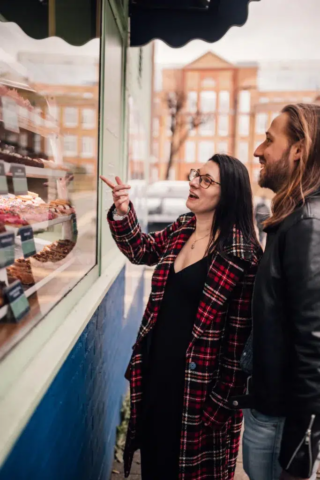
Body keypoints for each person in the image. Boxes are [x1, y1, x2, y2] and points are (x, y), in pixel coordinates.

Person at [101, 154, 261, 480]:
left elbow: (239, 343)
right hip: (158, 370)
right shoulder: (183, 227)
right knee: (156, 460)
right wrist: (122, 212)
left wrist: (218, 406)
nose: (193, 182)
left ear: (227, 193)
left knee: (188, 470)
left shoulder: (241, 255)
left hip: (198, 391)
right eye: (195, 174)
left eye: (206, 180)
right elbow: (141, 250)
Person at [236, 104, 320, 480]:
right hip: (270, 408)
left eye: (270, 140)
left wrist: (299, 456)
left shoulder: (308, 224)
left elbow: (315, 346)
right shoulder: (295, 218)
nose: (258, 150)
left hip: (281, 424)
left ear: (299, 149)